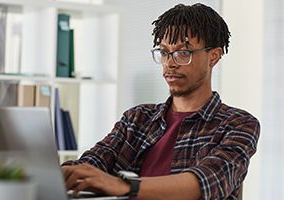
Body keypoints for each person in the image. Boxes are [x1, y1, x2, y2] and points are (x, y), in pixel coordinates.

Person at [62, 3, 260, 200]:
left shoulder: (238, 124)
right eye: (164, 52)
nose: (170, 63)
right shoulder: (137, 118)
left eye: (184, 53)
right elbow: (93, 162)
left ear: (214, 56)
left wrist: (122, 185)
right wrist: (61, 174)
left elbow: (205, 182)